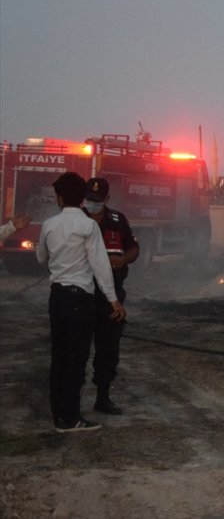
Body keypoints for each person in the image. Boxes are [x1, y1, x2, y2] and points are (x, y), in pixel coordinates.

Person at [36, 172, 125, 433]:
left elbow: (41, 257)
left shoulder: (49, 225)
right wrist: (113, 300)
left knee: (59, 357)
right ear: (82, 199)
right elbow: (100, 267)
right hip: (81, 299)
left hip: (57, 297)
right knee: (76, 360)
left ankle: (59, 415)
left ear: (60, 198)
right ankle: (71, 417)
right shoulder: (89, 227)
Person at [83, 177, 140, 414]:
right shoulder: (77, 220)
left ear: (106, 199)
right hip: (83, 294)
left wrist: (123, 259)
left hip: (112, 296)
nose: (92, 204)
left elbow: (134, 249)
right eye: (89, 200)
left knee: (108, 349)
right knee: (76, 348)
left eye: (97, 201)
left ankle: (103, 397)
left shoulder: (118, 221)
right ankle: (69, 401)